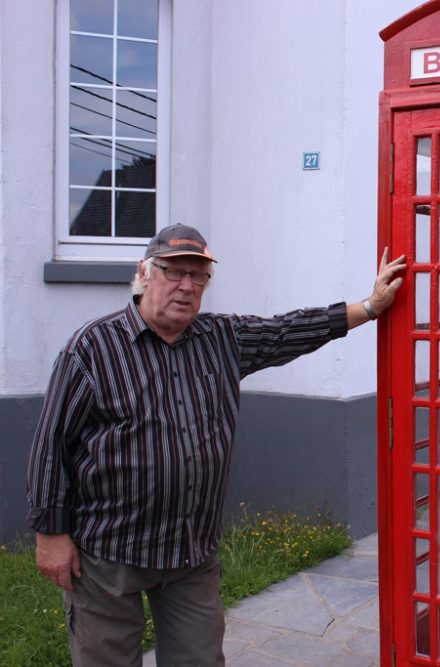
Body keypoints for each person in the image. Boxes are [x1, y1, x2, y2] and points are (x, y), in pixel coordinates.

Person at [26, 223, 406, 666]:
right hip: (109, 553)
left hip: (190, 553)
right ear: (144, 274)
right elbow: (51, 443)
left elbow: (289, 330)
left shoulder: (221, 339)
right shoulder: (92, 348)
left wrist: (370, 306)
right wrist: (51, 536)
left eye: (199, 276)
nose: (187, 286)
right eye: (174, 272)